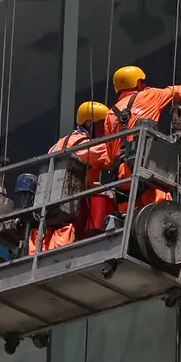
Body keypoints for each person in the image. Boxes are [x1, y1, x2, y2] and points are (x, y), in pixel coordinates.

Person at [104, 66, 181, 208]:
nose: (144, 84)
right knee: (162, 215)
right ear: (137, 83)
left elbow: (110, 157)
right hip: (147, 171)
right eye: (142, 81)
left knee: (129, 220)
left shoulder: (110, 115)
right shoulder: (149, 95)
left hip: (124, 178)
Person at [29, 101, 115, 254]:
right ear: (90, 124)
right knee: (58, 252)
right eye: (102, 126)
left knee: (38, 248)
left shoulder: (58, 144)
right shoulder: (87, 145)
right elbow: (111, 156)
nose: (104, 131)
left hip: (44, 206)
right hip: (65, 210)